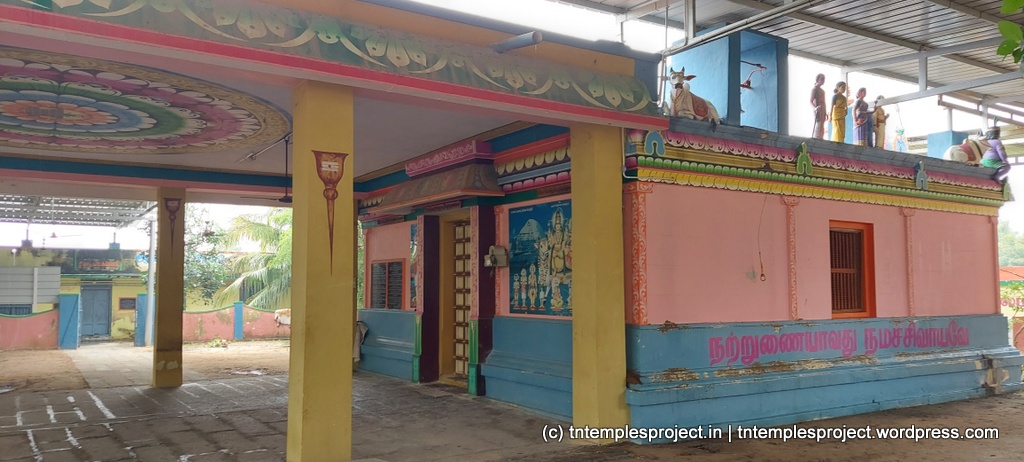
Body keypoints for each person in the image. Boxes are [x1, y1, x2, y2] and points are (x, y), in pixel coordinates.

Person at [810, 74, 826, 139]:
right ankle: (816, 138)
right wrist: (815, 108)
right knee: (818, 124)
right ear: (817, 79)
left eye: (824, 79)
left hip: (823, 109)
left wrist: (825, 112)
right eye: (822, 79)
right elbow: (811, 101)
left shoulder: (822, 91)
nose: (823, 80)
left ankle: (821, 138)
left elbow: (824, 102)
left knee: (822, 124)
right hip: (818, 109)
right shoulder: (814, 89)